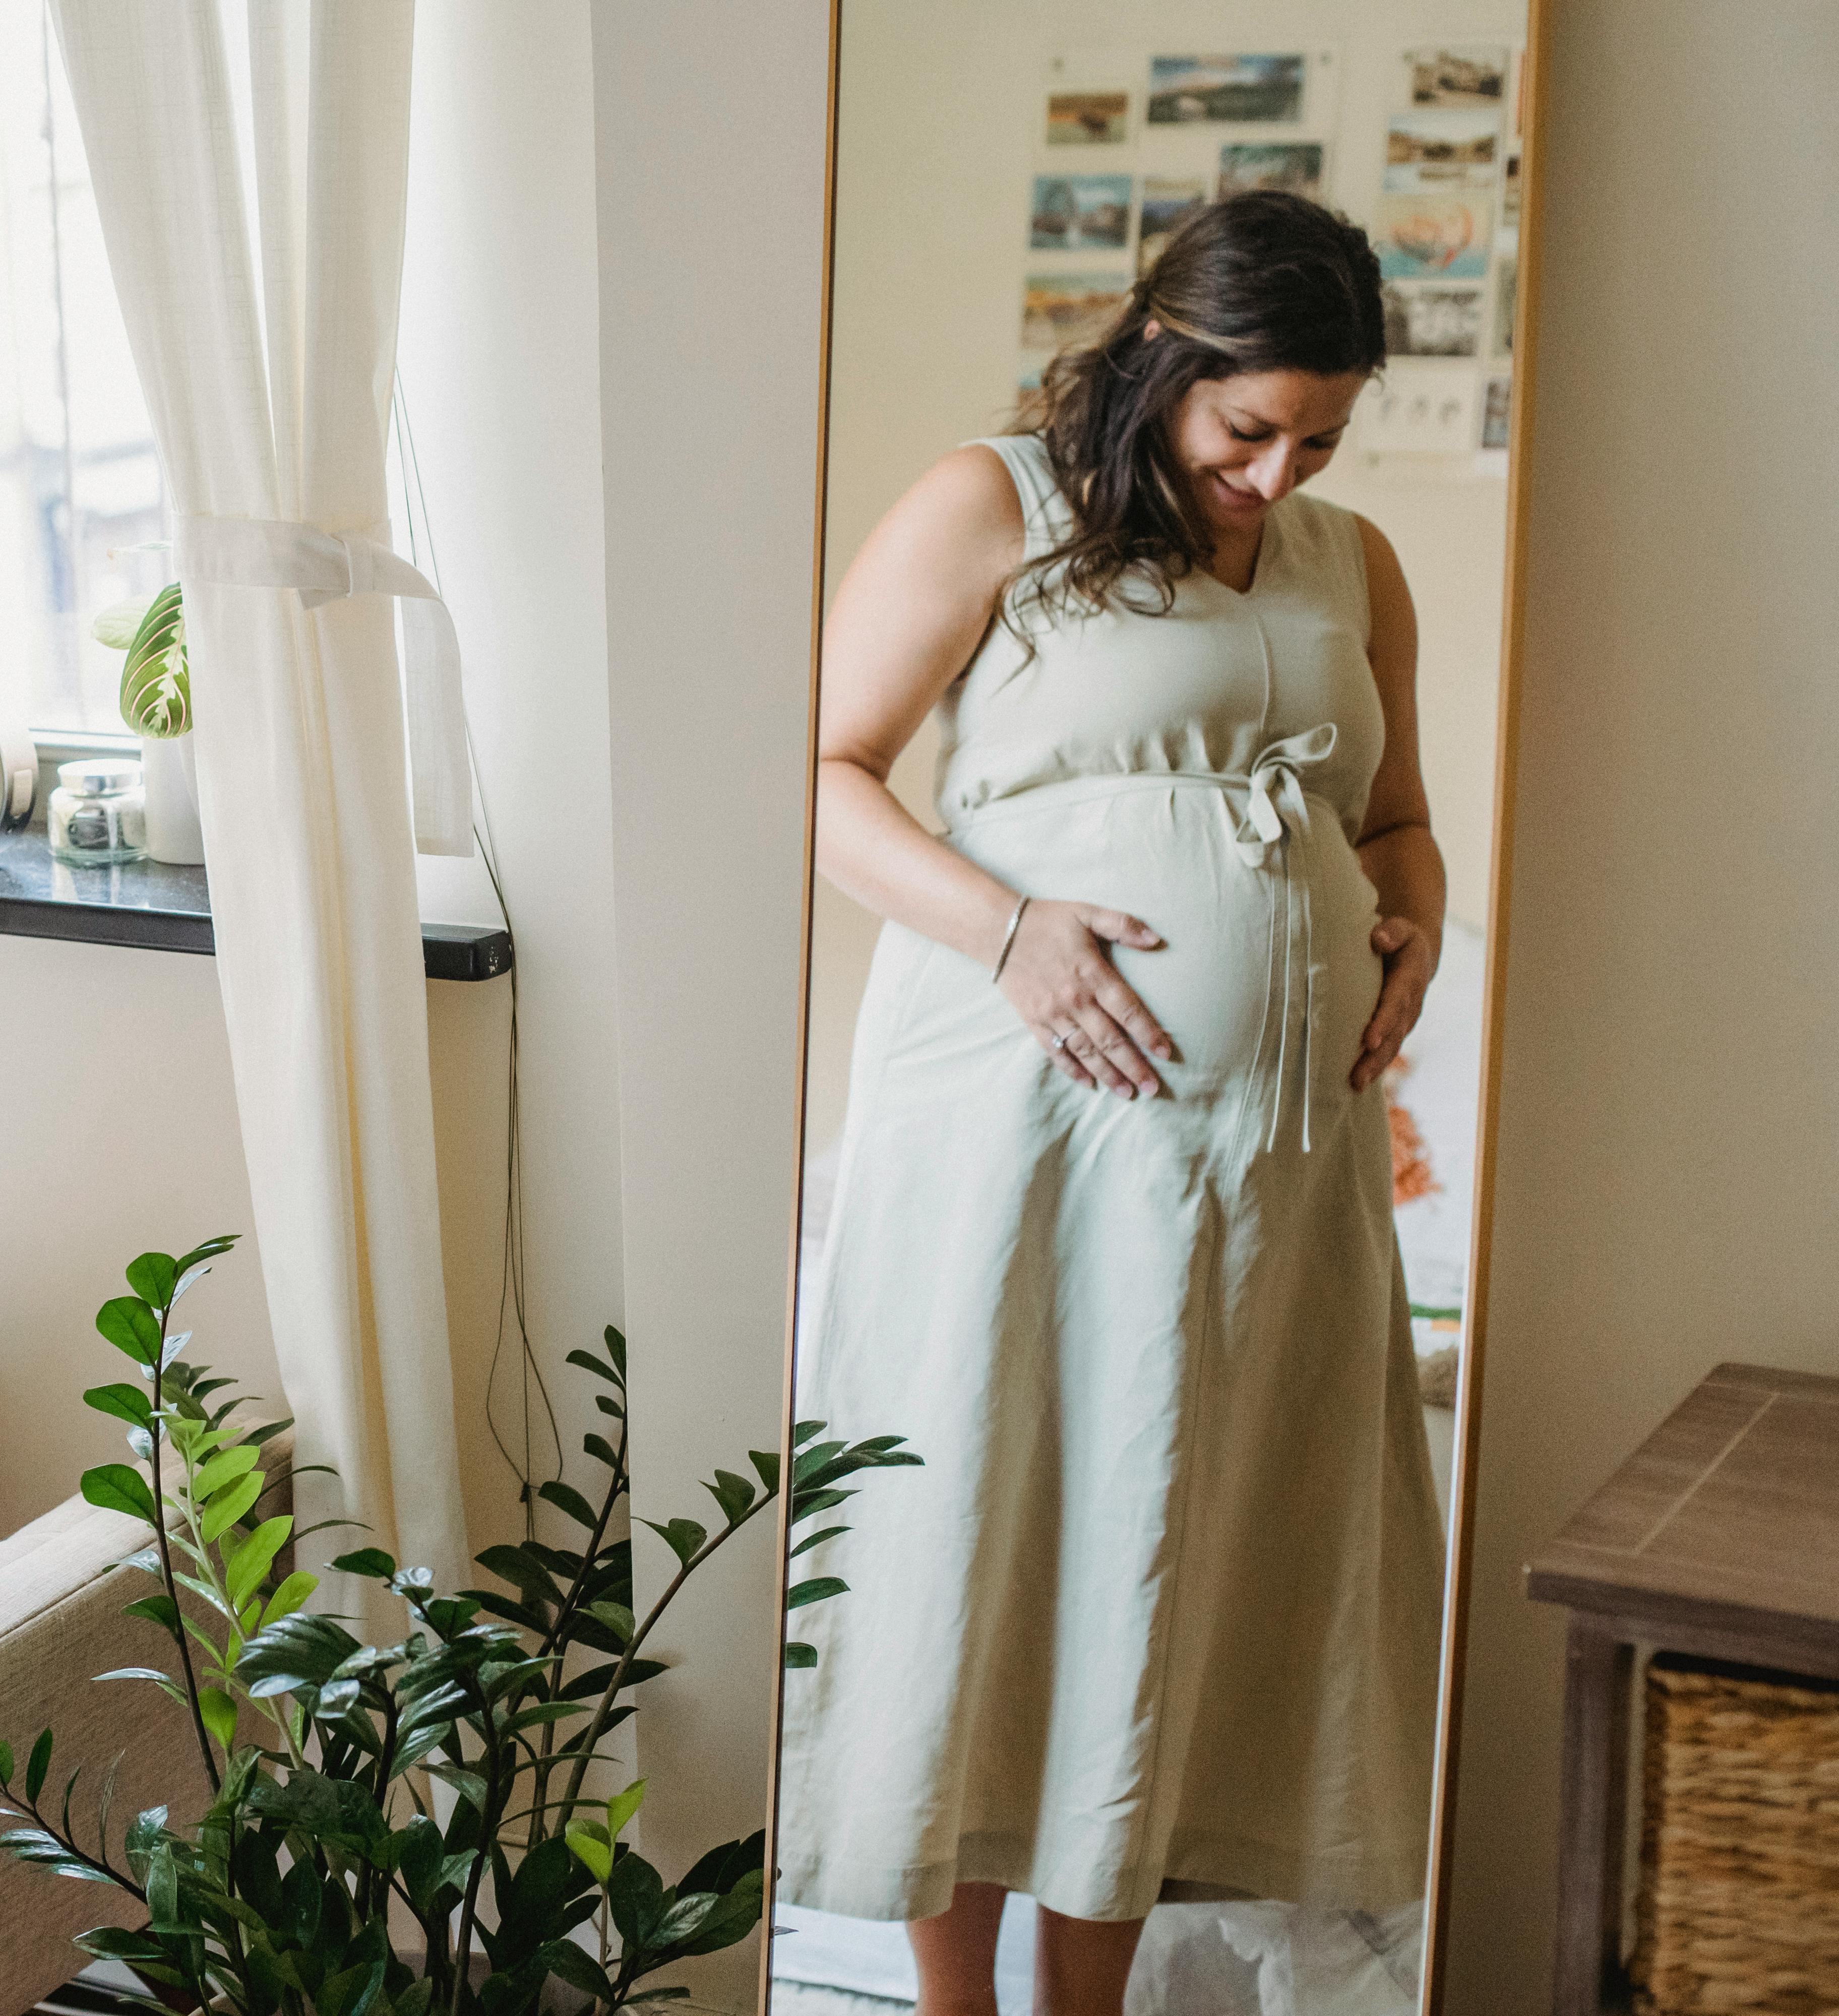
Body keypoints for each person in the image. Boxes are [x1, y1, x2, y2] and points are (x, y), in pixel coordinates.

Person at [775, 191, 1447, 2016]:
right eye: (1249, 429)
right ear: (1165, 356)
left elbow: (1393, 822)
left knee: (1167, 1552)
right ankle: (953, 2005)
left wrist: (1418, 927)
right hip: (1024, 1127)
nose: (1276, 468)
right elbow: (818, 774)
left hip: (1265, 1170)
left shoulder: (1350, 560)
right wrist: (1008, 934)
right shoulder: (994, 506)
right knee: (994, 1529)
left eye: (1319, 432)